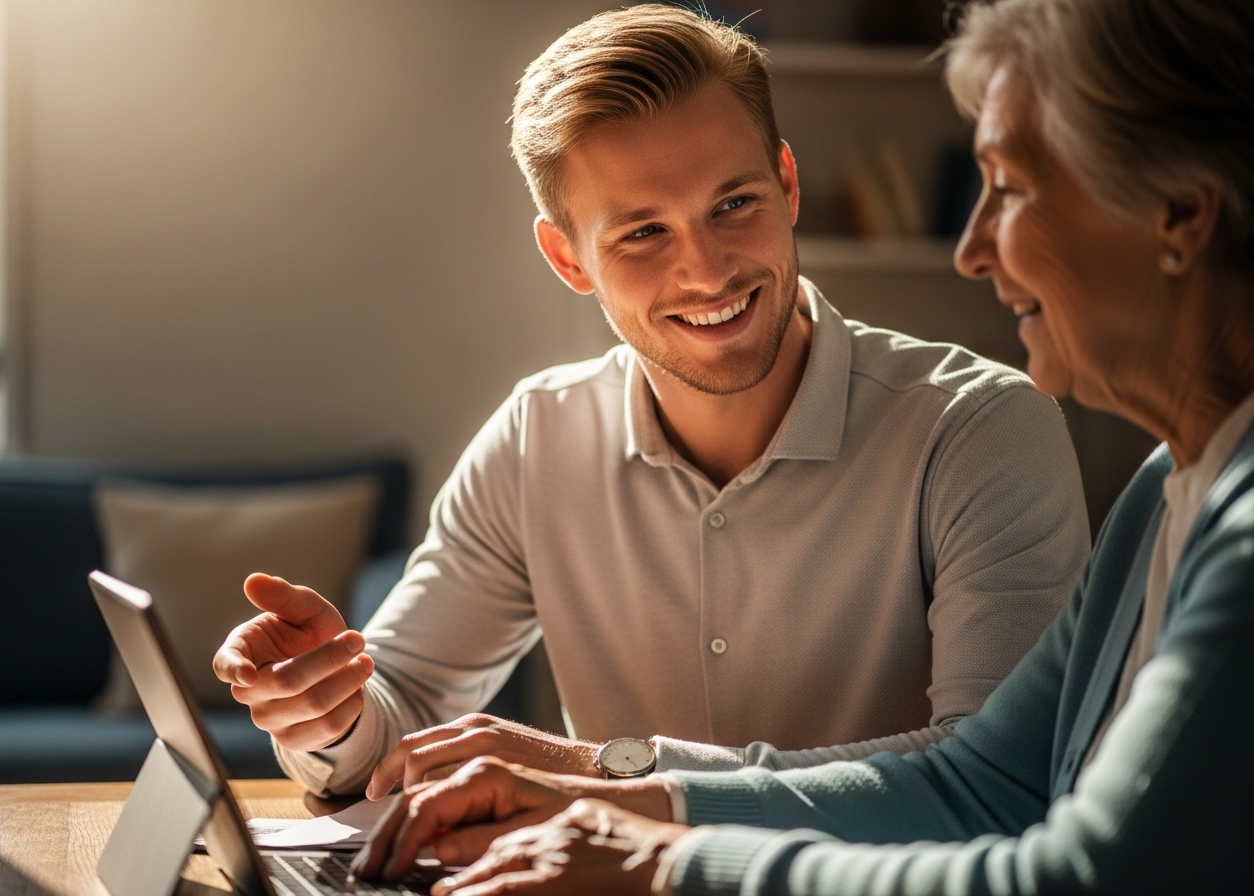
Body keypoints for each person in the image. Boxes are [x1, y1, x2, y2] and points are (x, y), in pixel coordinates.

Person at [345, 0, 1254, 892]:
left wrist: (651, 843)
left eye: (1008, 190)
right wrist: (624, 818)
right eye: (644, 231)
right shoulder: (1157, 498)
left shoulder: (1219, 522)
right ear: (569, 257)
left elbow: (1069, 861)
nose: (971, 250)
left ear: (1179, 216)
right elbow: (986, 778)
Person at [213, 4, 1089, 803]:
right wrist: (330, 714)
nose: (707, 270)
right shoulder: (536, 436)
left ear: (787, 187)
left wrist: (602, 771)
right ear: (568, 260)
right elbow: (397, 704)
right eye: (642, 232)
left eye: (734, 203)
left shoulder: (982, 432)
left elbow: (997, 781)